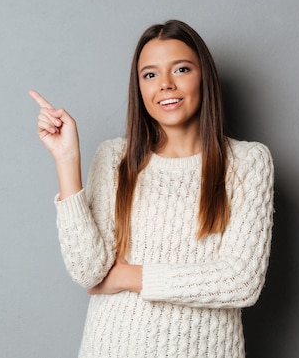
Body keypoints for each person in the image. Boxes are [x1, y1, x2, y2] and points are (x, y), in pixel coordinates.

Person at [29, 19, 274, 358]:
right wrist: (67, 159)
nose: (166, 85)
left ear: (204, 77)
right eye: (150, 75)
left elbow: (240, 282)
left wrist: (129, 277)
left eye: (182, 69)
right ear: (139, 87)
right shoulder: (115, 157)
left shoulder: (248, 162)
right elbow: (88, 270)